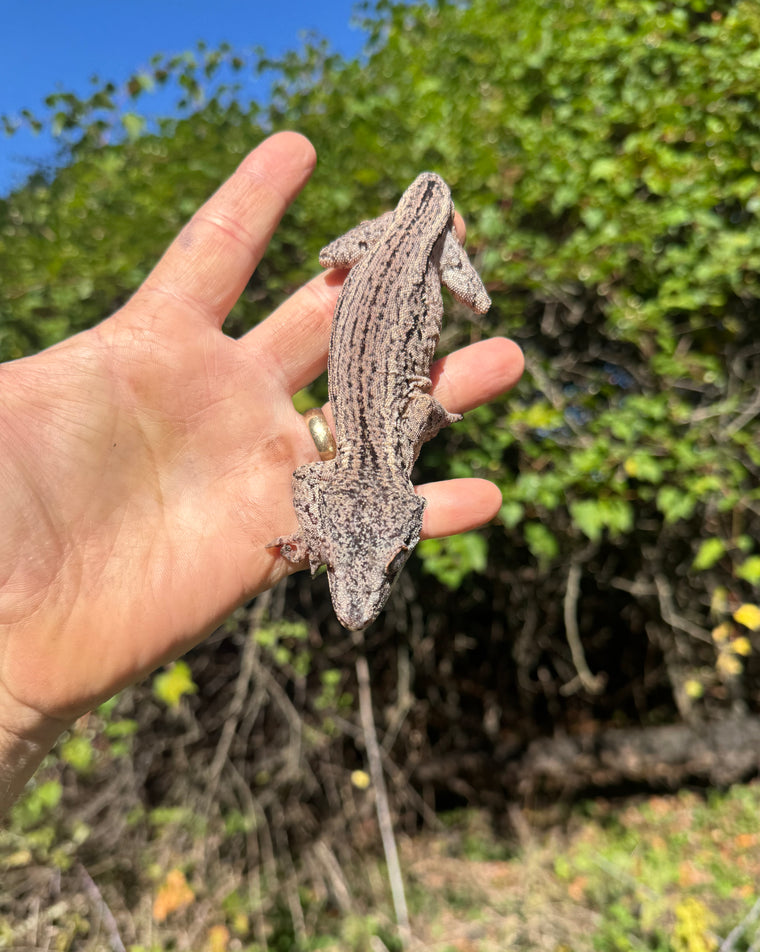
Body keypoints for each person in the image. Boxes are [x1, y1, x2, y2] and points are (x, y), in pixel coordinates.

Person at [0, 131, 523, 814]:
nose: (357, 607)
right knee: (474, 306)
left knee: (352, 269)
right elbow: (323, 473)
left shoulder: (384, 448)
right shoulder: (367, 458)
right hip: (413, 256)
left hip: (396, 257)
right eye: (383, 565)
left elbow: (341, 458)